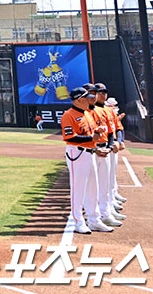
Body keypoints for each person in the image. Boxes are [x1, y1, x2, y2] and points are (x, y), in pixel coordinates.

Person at [61, 86, 106, 234]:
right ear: (79, 100)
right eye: (88, 97)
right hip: (76, 153)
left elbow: (91, 133)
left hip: (90, 152)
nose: (91, 99)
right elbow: (69, 137)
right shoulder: (69, 115)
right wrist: (91, 138)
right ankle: (78, 221)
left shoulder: (87, 113)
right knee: (78, 189)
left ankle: (94, 220)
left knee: (93, 188)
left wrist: (96, 138)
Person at [88, 83, 124, 228]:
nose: (102, 94)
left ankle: (106, 211)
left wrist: (114, 143)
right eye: (99, 92)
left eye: (104, 92)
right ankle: (94, 215)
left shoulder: (108, 111)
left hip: (107, 149)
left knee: (106, 183)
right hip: (92, 150)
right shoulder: (90, 111)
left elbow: (113, 130)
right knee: (93, 186)